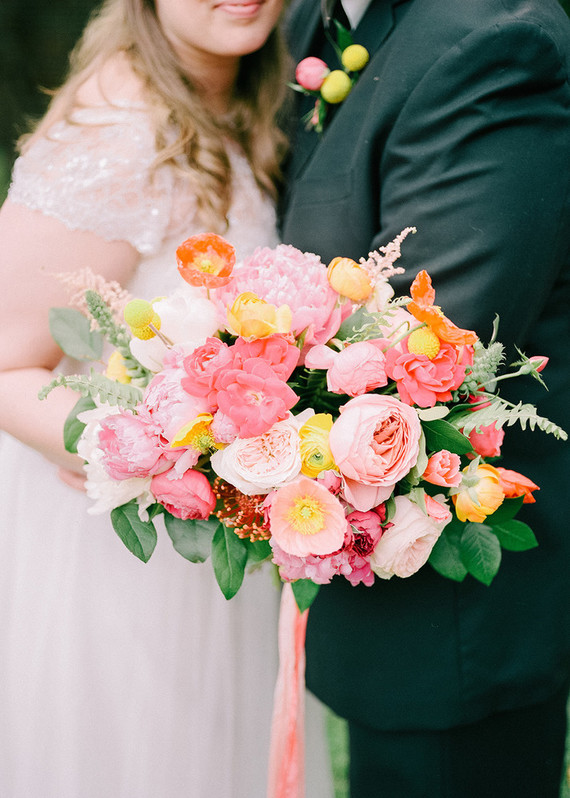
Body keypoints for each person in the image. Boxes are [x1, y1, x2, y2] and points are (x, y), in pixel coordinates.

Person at [0, 1, 332, 796]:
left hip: (217, 543)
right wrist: (150, 452)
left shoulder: (240, 99)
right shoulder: (119, 129)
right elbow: (4, 363)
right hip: (124, 557)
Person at [281, 0, 570, 795]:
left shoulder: (492, 39)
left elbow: (430, 351)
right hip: (373, 600)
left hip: (458, 624)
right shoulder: (316, 17)